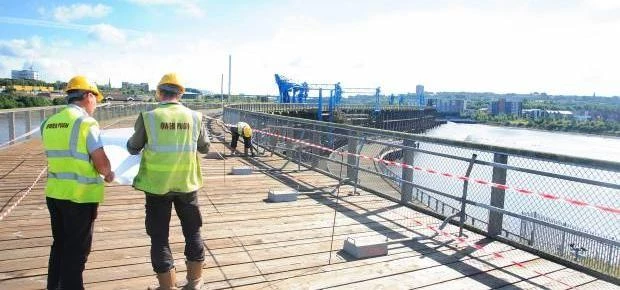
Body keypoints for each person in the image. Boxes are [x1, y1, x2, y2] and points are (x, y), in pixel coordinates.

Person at [127, 73, 210, 290]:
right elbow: (205, 147)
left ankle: (167, 286)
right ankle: (194, 282)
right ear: (181, 93)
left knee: (159, 237)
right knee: (192, 232)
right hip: (187, 185)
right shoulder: (195, 117)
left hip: (157, 187)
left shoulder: (149, 116)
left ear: (159, 92)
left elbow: (133, 147)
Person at [41, 75, 115, 290]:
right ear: (87, 95)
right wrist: (109, 173)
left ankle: (53, 286)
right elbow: (100, 162)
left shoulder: (49, 122)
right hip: (80, 196)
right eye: (96, 99)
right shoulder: (86, 123)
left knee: (60, 245)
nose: (96, 104)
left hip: (55, 194)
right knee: (77, 251)